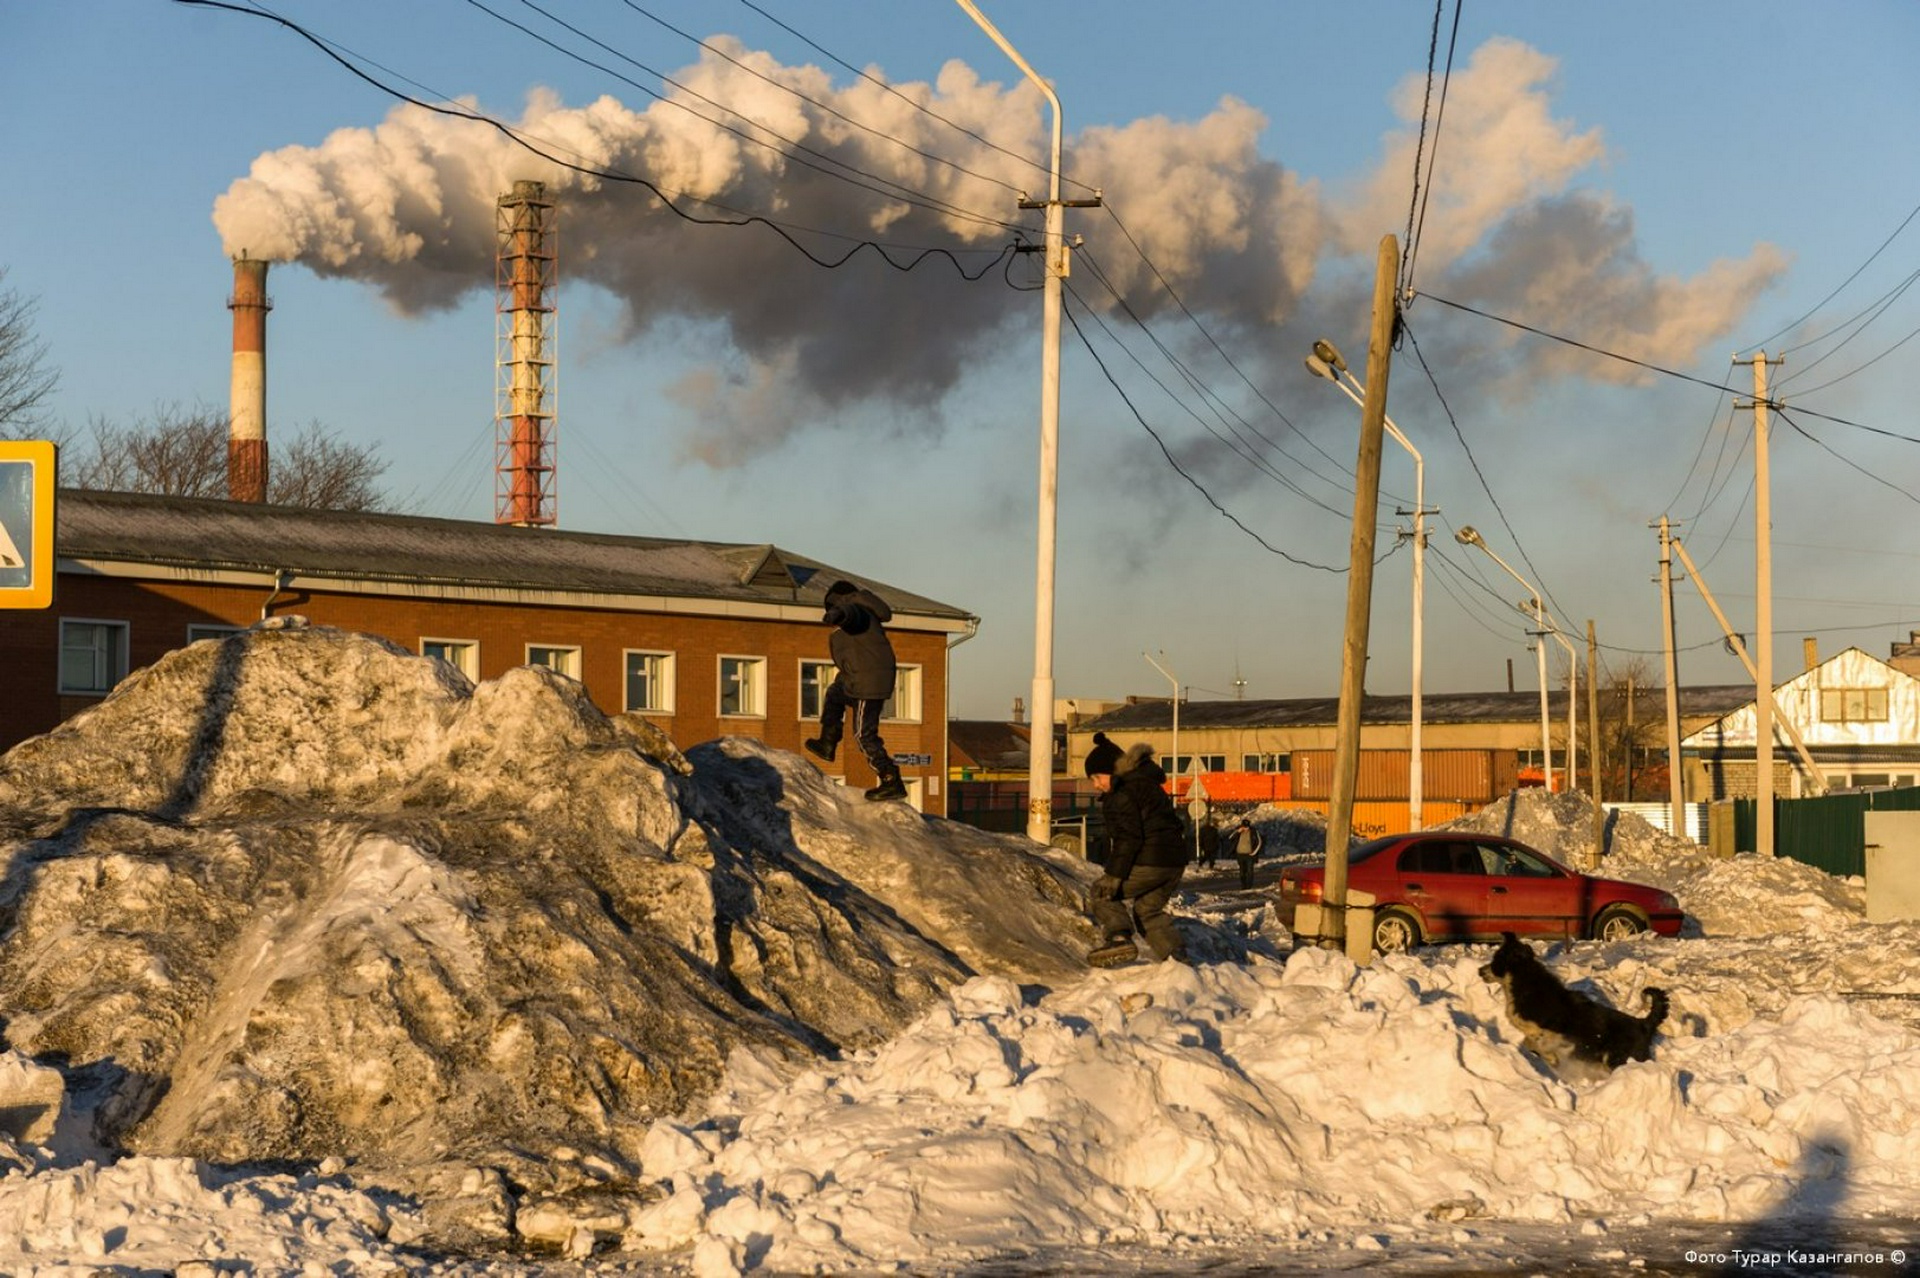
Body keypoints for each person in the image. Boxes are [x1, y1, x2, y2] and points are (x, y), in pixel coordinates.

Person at [1082, 732, 1189, 967]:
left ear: (1113, 771)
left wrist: (1114, 876)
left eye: (1097, 777)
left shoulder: (1122, 793)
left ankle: (1119, 938)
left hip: (1151, 861)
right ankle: (1178, 960)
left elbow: (1128, 839)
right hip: (1174, 862)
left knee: (1101, 893)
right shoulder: (1145, 783)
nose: (1096, 784)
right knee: (1146, 911)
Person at [804, 579, 907, 802]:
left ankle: (891, 780)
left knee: (863, 734)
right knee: (834, 693)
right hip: (858, 679)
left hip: (867, 686)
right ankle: (827, 742)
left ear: (836, 603)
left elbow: (851, 614)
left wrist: (839, 613)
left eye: (830, 609)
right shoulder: (865, 613)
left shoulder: (857, 611)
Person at [1231, 816, 1265, 890]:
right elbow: (1230, 838)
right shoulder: (1238, 831)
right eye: (1244, 826)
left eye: (1246, 827)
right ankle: (1243, 885)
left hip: (1249, 854)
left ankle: (1249, 886)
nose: (1245, 828)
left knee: (1249, 871)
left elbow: (1259, 842)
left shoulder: (1253, 832)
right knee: (1242, 871)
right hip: (1240, 854)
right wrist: (1237, 832)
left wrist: (1254, 852)